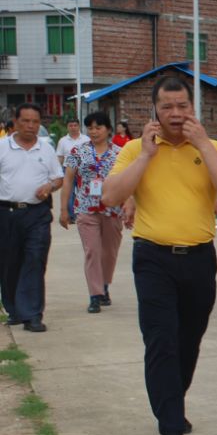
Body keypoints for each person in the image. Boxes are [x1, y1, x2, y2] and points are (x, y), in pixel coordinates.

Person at [102, 76, 217, 435]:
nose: (176, 114)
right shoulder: (135, 149)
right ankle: (170, 426)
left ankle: (173, 403)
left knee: (188, 340)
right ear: (155, 111)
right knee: (160, 341)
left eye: (182, 106)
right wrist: (147, 156)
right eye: (167, 107)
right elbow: (111, 196)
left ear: (192, 108)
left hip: (199, 258)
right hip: (153, 258)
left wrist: (202, 145)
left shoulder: (211, 147)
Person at [0, 103, 63, 332]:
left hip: (36, 214)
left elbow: (59, 178)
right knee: (9, 263)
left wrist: (49, 186)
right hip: (6, 213)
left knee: (35, 259)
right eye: (25, 121)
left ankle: (33, 314)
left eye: (35, 122)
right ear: (15, 122)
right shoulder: (2, 148)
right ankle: (14, 309)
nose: (30, 126)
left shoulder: (45, 149)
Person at [59, 111, 124, 313]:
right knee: (92, 251)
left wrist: (131, 204)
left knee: (109, 253)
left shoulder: (120, 153)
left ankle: (104, 285)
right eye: (91, 128)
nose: (94, 131)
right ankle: (95, 295)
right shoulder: (78, 152)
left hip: (112, 209)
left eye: (99, 127)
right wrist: (63, 209)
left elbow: (128, 181)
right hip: (86, 208)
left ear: (108, 129)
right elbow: (68, 180)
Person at [56, 117, 89, 223]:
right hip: (67, 169)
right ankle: (71, 216)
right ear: (67, 127)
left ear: (79, 126)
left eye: (75, 125)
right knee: (69, 193)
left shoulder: (86, 139)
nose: (73, 128)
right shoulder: (63, 141)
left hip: (83, 170)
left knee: (82, 193)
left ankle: (82, 214)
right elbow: (60, 157)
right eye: (71, 125)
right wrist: (58, 172)